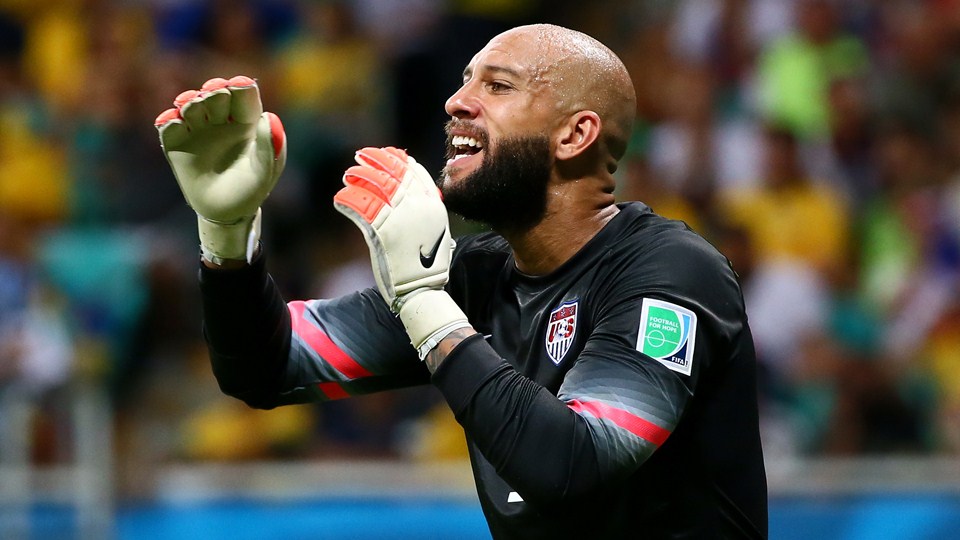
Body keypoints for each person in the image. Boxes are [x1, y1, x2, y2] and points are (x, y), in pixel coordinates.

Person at [155, 23, 768, 539]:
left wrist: (423, 303)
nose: (457, 101)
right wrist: (227, 235)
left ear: (575, 135)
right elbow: (267, 366)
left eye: (497, 85)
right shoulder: (476, 276)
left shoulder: (672, 271)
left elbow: (572, 463)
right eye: (465, 79)